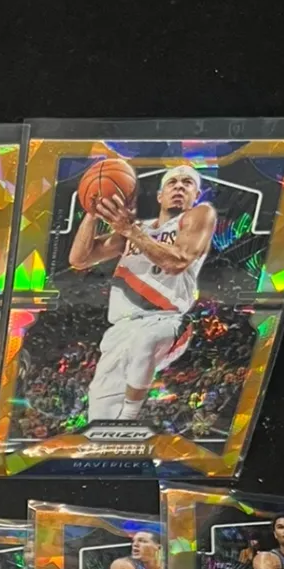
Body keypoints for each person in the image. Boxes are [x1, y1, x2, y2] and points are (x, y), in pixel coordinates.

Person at [67, 163, 216, 423]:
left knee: (145, 340)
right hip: (121, 328)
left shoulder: (198, 216)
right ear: (159, 196)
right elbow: (79, 259)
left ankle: (130, 415)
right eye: (172, 183)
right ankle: (112, 437)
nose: (179, 187)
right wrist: (91, 213)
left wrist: (130, 230)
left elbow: (176, 262)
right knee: (100, 418)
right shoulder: (138, 229)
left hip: (167, 320)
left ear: (196, 195)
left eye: (187, 183)